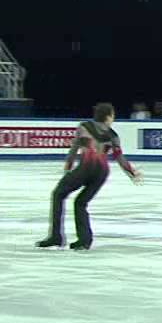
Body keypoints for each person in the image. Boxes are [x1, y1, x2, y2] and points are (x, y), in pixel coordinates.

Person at [37, 103, 142, 251]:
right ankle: (85, 240)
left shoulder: (84, 127)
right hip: (101, 173)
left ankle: (56, 236)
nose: (113, 118)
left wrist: (69, 164)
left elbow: (75, 147)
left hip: (86, 168)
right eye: (112, 115)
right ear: (107, 116)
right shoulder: (113, 135)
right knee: (80, 203)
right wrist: (131, 172)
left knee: (58, 194)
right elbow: (119, 158)